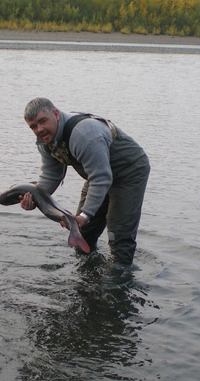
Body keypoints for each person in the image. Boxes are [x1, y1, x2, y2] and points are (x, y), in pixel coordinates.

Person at [19, 97, 150, 266]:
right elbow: (51, 175)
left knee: (118, 236)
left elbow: (101, 178)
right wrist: (35, 199)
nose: (40, 129)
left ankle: (119, 283)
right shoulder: (45, 140)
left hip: (128, 173)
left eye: (43, 121)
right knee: (82, 233)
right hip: (97, 175)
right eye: (33, 126)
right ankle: (86, 280)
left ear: (56, 114)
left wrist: (84, 215)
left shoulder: (83, 134)